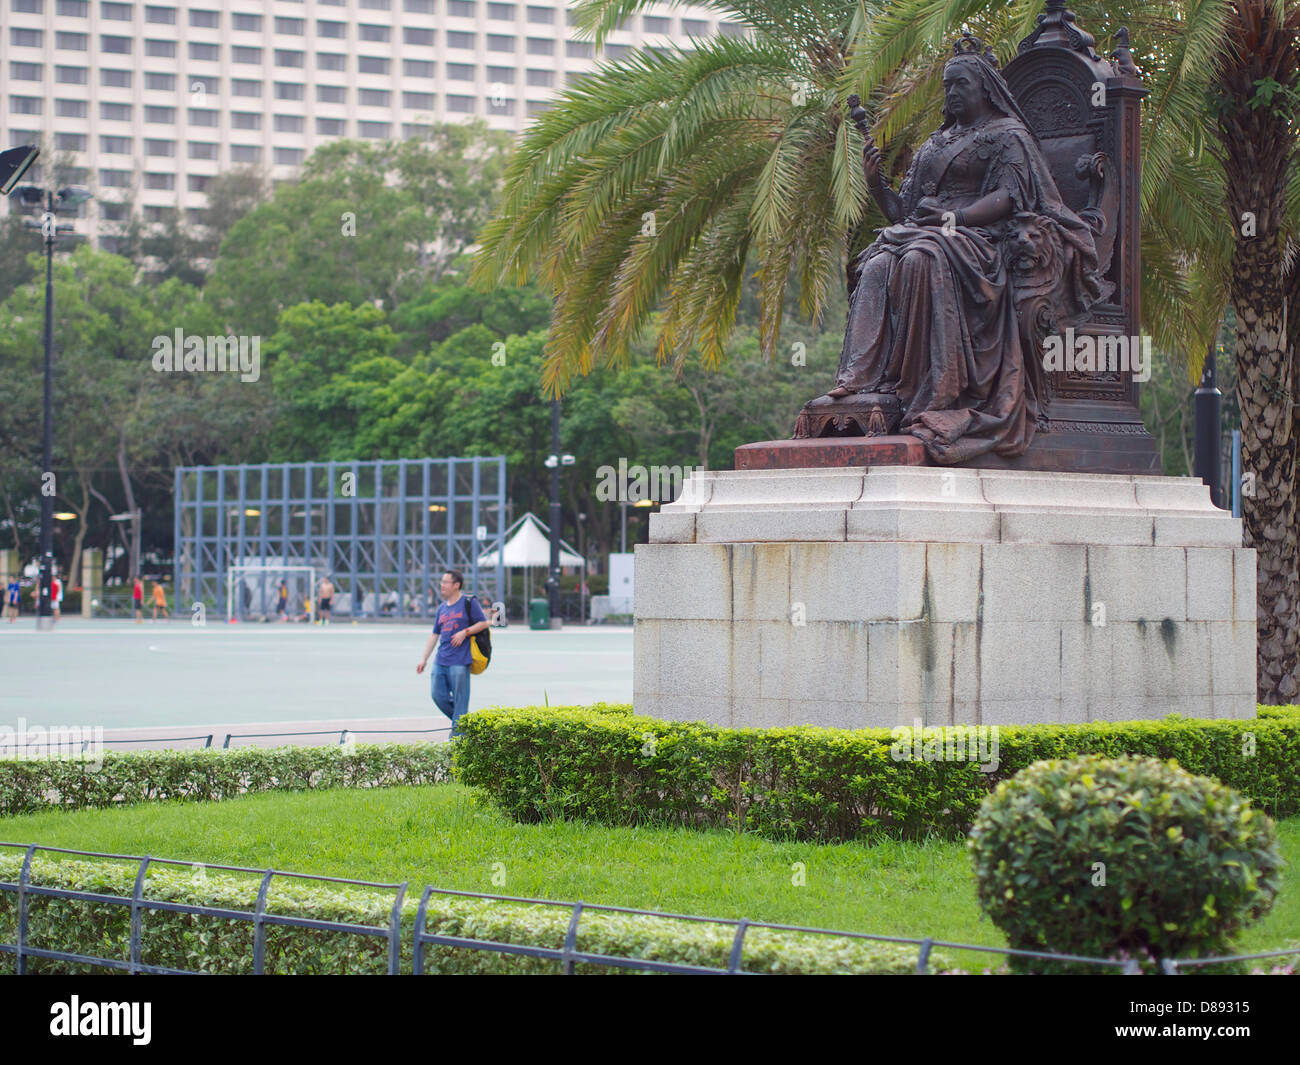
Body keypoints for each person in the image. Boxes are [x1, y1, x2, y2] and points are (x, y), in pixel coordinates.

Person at [814, 33, 1101, 464]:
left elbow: (1009, 197)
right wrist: (876, 184)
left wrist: (955, 219)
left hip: (980, 240)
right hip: (926, 232)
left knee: (919, 257)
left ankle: (923, 390)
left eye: (959, 84)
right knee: (877, 260)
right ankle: (860, 380)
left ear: (984, 88)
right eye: (947, 85)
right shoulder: (936, 142)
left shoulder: (1008, 135)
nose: (951, 92)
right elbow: (902, 213)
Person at [416, 570, 488, 738]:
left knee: (461, 702)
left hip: (460, 661)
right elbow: (435, 634)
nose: (442, 585)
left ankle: (456, 742)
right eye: (441, 582)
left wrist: (466, 632)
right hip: (441, 660)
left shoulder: (468, 602)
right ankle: (464, 725)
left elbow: (483, 623)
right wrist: (424, 659)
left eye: (446, 582)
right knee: (438, 695)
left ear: (456, 585)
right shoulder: (441, 608)